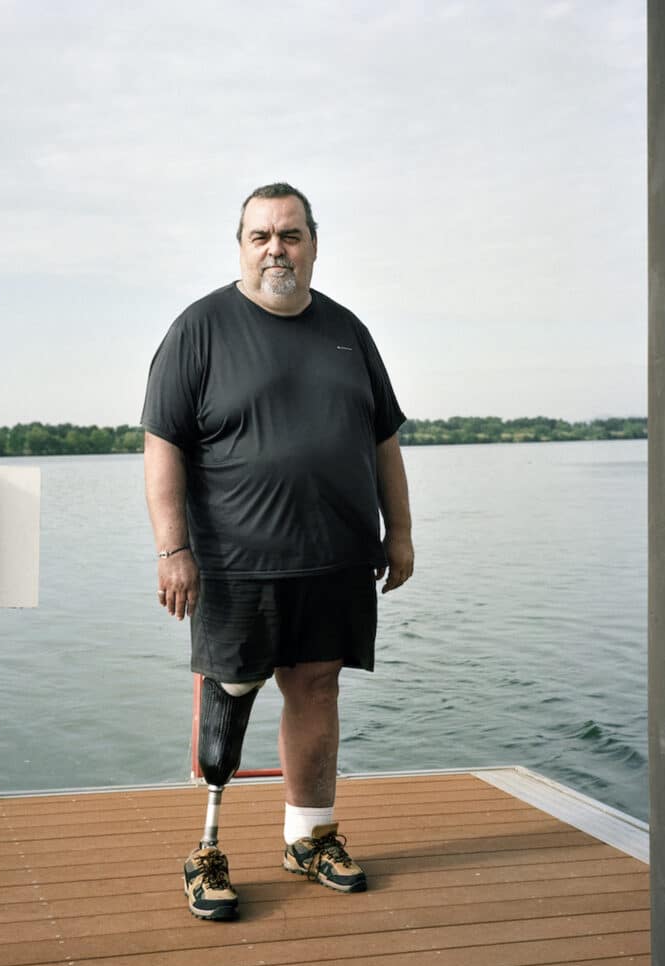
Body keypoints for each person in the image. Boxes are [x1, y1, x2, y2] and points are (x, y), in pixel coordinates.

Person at [141, 182, 414, 920]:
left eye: (290, 235)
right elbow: (162, 445)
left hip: (336, 557)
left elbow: (383, 438)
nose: (276, 249)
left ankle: (309, 837)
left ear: (314, 246)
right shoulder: (200, 329)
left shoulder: (348, 332)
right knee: (230, 697)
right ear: (240, 247)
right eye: (260, 235)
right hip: (236, 564)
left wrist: (402, 531)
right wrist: (174, 550)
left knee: (318, 688)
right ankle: (206, 849)